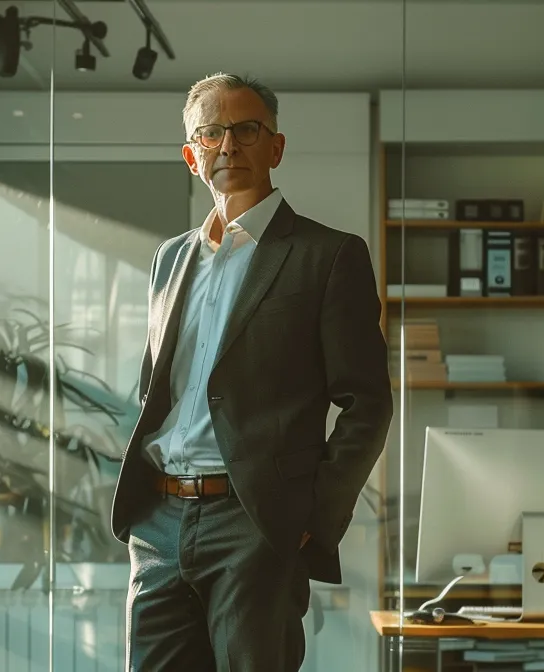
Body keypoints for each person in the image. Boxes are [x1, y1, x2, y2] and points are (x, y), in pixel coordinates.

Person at [108, 72, 393, 672]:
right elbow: (156, 389)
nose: (228, 145)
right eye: (210, 134)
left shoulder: (328, 255)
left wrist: (314, 517)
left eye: (245, 129)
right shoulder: (169, 259)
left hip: (254, 523)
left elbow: (367, 402)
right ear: (192, 155)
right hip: (157, 523)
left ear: (275, 147)